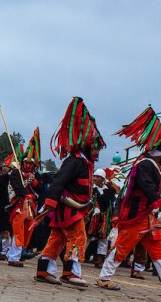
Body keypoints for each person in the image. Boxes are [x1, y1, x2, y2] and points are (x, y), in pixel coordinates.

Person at [96, 107, 161, 295]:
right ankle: (104, 278)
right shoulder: (145, 164)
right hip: (135, 215)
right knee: (122, 247)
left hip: (146, 216)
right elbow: (147, 187)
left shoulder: (150, 164)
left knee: (158, 249)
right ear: (159, 152)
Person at [36, 97, 104, 287]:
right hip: (68, 207)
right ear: (88, 145)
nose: (98, 152)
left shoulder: (84, 163)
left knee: (56, 240)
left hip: (74, 208)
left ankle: (44, 270)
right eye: (96, 148)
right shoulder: (74, 161)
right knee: (78, 237)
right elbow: (58, 182)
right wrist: (49, 203)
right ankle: (70, 272)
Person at [6, 128, 44, 267]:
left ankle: (16, 253)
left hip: (31, 206)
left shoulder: (36, 175)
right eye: (26, 163)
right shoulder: (16, 173)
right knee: (18, 229)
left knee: (28, 230)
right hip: (19, 204)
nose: (28, 165)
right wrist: (23, 188)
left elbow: (41, 188)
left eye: (30, 164)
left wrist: (33, 181)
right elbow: (16, 186)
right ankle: (14, 256)